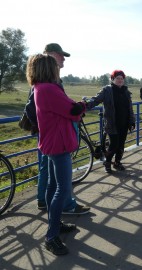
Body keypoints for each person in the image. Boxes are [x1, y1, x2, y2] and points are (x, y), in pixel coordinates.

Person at [27, 54, 86, 255]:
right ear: (49, 69)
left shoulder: (39, 88)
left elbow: (65, 107)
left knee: (53, 186)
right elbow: (72, 111)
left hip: (50, 142)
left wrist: (75, 107)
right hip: (58, 143)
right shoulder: (50, 89)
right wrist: (83, 106)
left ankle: (56, 224)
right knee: (63, 188)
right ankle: (51, 236)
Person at [85, 70, 135, 173]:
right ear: (112, 79)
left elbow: (130, 108)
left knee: (121, 144)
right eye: (117, 78)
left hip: (124, 123)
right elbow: (96, 100)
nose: (120, 80)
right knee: (114, 144)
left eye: (122, 78)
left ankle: (117, 162)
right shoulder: (107, 90)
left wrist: (132, 121)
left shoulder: (126, 91)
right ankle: (107, 163)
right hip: (112, 123)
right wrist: (84, 105)